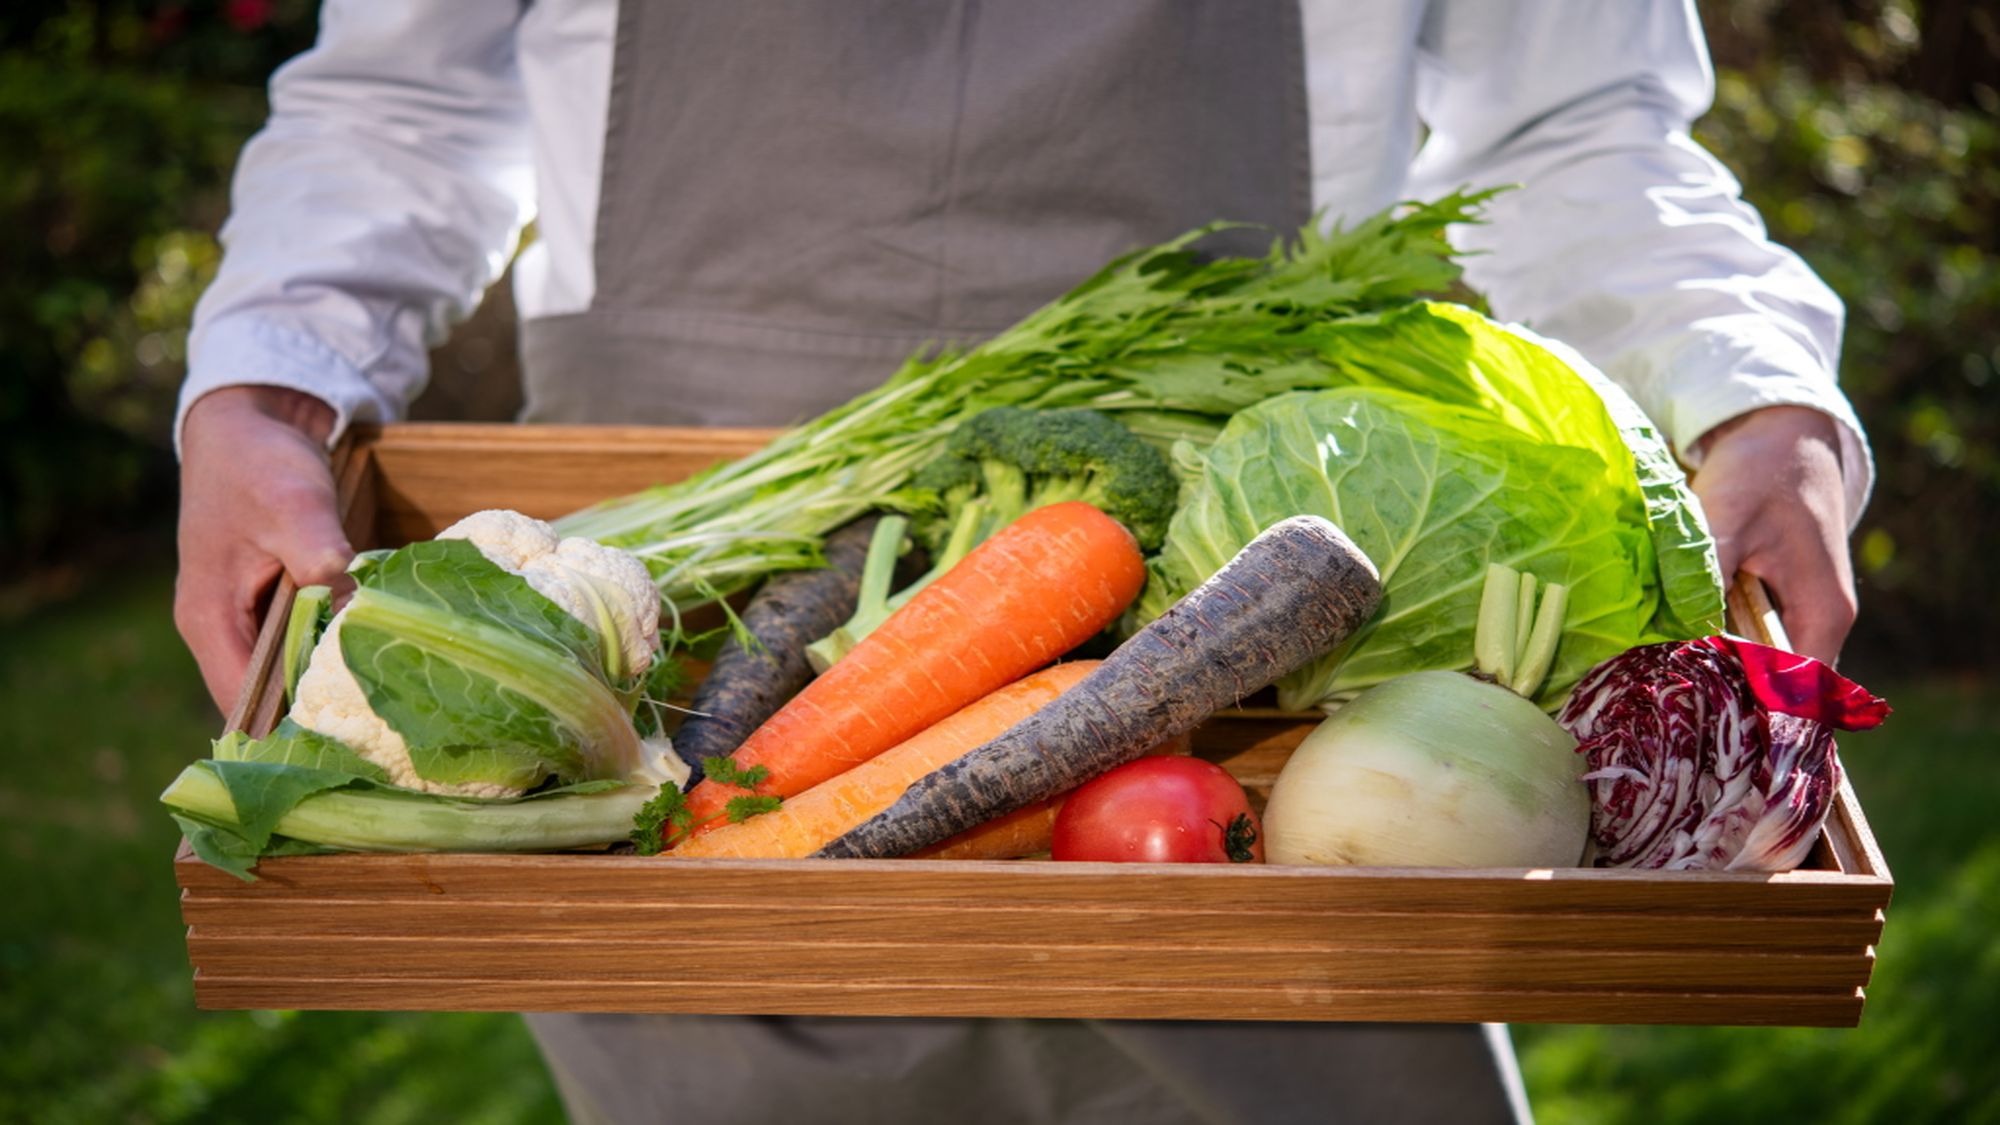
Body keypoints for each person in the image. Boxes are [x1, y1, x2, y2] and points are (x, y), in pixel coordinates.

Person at [172, 3, 1872, 1121]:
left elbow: (1581, 122)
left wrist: (1752, 390)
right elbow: (404, 95)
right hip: (683, 651)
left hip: (1245, 666)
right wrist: (267, 383)